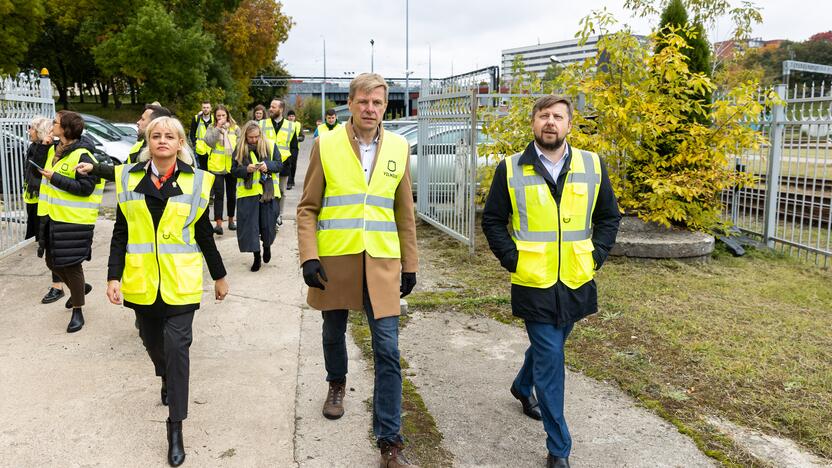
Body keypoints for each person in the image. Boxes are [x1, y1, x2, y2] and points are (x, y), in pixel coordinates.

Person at [481, 95, 621, 468]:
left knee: (550, 349)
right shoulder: (510, 168)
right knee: (552, 358)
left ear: (569, 125)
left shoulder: (592, 164)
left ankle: (521, 386)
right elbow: (493, 220)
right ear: (533, 123)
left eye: (558, 116)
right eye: (543, 115)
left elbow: (609, 217)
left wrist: (596, 256)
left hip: (576, 278)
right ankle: (559, 448)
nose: (550, 122)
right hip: (533, 281)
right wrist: (511, 258)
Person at [297, 73, 419, 468]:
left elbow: (405, 212)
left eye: (378, 103)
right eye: (363, 101)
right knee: (333, 332)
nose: (370, 109)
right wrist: (308, 256)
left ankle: (389, 442)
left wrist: (410, 264)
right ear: (349, 103)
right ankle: (336, 384)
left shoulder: (399, 147)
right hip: (334, 262)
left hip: (382, 264)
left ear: (386, 107)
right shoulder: (326, 143)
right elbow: (308, 207)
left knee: (388, 350)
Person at [106, 116, 229, 467]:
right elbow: (120, 233)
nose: (162, 140)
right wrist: (113, 276)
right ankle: (164, 375)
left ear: (179, 144)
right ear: (148, 142)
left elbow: (204, 233)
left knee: (177, 350)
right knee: (152, 343)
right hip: (143, 282)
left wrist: (219, 276)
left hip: (181, 284)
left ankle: (175, 426)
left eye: (169, 136)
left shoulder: (196, 182)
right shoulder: (130, 179)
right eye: (155, 135)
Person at [36, 110, 104, 333]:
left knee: (71, 265)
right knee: (52, 262)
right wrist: (42, 146)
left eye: (55, 123)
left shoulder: (83, 155)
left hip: (74, 222)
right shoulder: (56, 150)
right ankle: (80, 289)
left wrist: (55, 178)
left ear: (65, 129)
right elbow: (35, 170)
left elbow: (86, 188)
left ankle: (78, 310)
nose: (52, 126)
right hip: (53, 218)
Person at [230, 121, 282, 271]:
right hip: (248, 195)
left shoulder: (270, 145)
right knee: (251, 229)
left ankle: (267, 246)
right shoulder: (240, 149)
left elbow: (279, 165)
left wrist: (268, 166)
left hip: (268, 193)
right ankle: (256, 257)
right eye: (250, 137)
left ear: (260, 135)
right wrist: (247, 169)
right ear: (245, 135)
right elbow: (233, 170)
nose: (253, 140)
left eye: (256, 137)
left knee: (267, 225)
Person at [24, 116, 65, 304]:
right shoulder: (36, 147)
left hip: (52, 207)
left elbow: (39, 172)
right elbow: (32, 173)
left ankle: (61, 285)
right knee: (47, 245)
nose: (28, 131)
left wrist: (46, 145)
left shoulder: (53, 149)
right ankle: (71, 282)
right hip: (38, 203)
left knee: (53, 247)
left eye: (31, 128)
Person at [76, 104, 173, 181]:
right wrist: (93, 168)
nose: (138, 122)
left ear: (154, 123)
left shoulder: (162, 151)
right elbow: (122, 171)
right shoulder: (140, 145)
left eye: (143, 119)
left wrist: (94, 168)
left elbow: (128, 172)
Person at [260, 98, 298, 225]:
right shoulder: (262, 124)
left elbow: (294, 147)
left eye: (274, 107)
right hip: (267, 164)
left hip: (284, 164)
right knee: (267, 190)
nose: (270, 109)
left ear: (281, 109)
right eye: (270, 106)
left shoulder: (291, 126)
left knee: (281, 191)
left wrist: (290, 162)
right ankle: (267, 215)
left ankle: (279, 215)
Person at [204, 105, 240, 235]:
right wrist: (218, 129)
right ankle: (218, 223)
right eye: (218, 116)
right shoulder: (211, 128)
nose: (220, 118)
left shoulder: (235, 129)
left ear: (227, 115)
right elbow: (209, 142)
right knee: (218, 195)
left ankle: (231, 220)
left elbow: (239, 145)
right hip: (216, 166)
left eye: (223, 115)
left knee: (231, 195)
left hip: (231, 166)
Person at [189, 101, 214, 170]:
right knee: (201, 170)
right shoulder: (196, 118)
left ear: (210, 109)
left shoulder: (214, 119)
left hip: (211, 148)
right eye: (204, 107)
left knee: (211, 169)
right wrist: (195, 143)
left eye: (207, 107)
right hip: (200, 149)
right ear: (202, 108)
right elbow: (192, 133)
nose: (206, 109)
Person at [285, 110, 303, 189]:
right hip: (285, 147)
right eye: (289, 116)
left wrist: (297, 139)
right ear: (287, 117)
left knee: (293, 165)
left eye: (292, 116)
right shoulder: (285, 124)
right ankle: (289, 182)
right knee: (287, 164)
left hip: (295, 148)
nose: (291, 118)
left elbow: (302, 136)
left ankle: (292, 180)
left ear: (294, 117)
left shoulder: (298, 124)